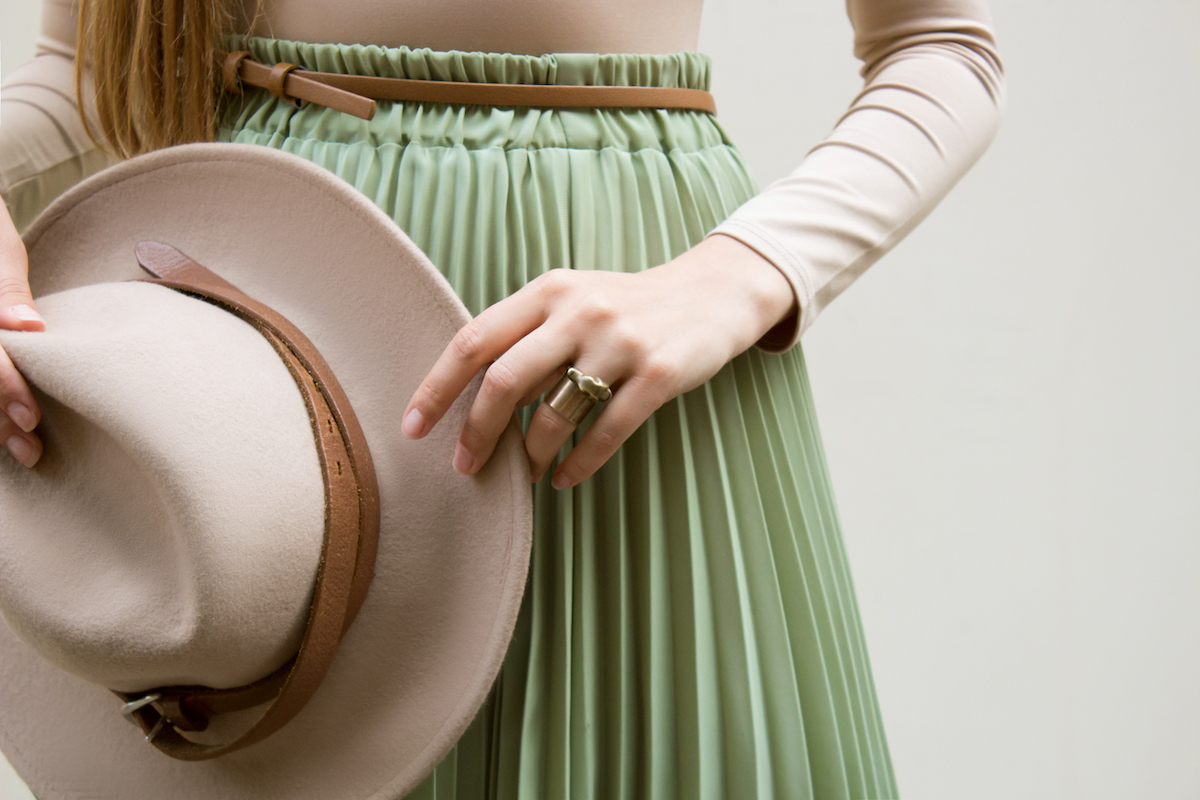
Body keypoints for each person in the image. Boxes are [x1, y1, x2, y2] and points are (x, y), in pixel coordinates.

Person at [0, 0, 1003, 796]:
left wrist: (740, 274)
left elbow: (941, 48)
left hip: (615, 346)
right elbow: (96, 72)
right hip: (286, 333)